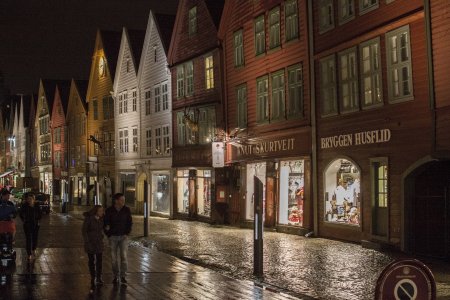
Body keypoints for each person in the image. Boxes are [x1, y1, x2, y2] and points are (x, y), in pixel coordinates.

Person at [104, 193, 132, 285]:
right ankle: (116, 276)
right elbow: (105, 223)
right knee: (113, 258)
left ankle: (123, 276)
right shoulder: (109, 210)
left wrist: (127, 233)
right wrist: (109, 234)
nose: (123, 201)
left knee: (123, 257)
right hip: (113, 237)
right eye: (121, 200)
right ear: (116, 200)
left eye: (124, 200)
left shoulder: (126, 210)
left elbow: (129, 222)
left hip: (123, 237)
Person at [82, 205, 105, 292]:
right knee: (91, 260)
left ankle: (98, 277)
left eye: (102, 211)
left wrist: (103, 234)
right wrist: (87, 242)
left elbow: (101, 229)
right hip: (90, 243)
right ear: (96, 211)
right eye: (100, 211)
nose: (102, 212)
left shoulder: (101, 219)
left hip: (99, 242)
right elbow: (84, 231)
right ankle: (93, 276)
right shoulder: (89, 219)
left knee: (99, 260)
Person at [19, 193, 42, 261]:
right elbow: (21, 213)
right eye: (28, 199)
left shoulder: (36, 205)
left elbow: (40, 214)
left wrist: (38, 220)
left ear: (34, 199)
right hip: (27, 224)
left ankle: (33, 249)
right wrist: (23, 220)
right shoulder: (24, 205)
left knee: (35, 238)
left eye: (31, 199)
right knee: (28, 239)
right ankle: (29, 254)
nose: (29, 200)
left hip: (35, 224)